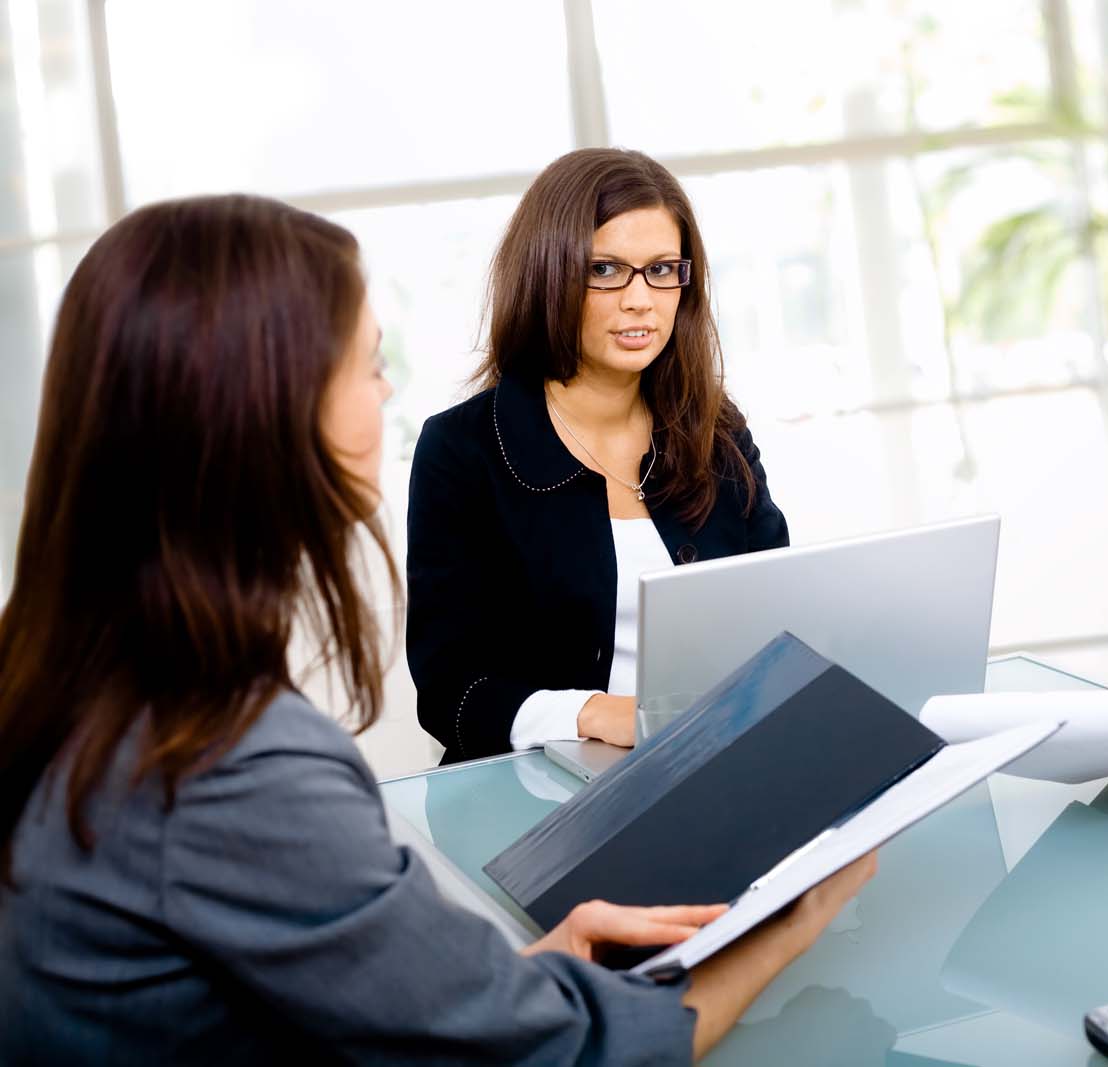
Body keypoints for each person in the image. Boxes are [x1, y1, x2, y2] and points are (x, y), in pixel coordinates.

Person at [0, 194, 873, 1065]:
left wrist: (514, 974)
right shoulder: (231, 766)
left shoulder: (80, 694)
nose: (385, 391)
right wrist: (791, 918)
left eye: (662, 271)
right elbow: (569, 1052)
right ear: (265, 409)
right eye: (367, 363)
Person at [407, 148, 787, 764]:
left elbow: (783, 615)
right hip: (541, 786)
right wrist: (591, 714)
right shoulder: (463, 448)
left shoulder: (715, 430)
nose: (641, 299)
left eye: (662, 269)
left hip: (711, 761)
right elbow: (449, 688)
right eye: (606, 269)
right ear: (548, 276)